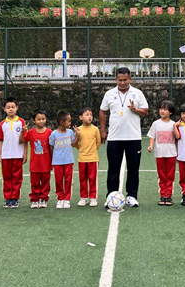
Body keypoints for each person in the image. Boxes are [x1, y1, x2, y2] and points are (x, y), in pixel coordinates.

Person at [100, 67, 149, 208]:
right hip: (114, 137)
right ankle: (111, 196)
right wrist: (103, 131)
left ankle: (132, 196)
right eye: (120, 80)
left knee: (133, 168)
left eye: (125, 80)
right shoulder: (109, 94)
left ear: (130, 79)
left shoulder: (137, 93)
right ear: (116, 80)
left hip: (133, 137)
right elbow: (102, 112)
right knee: (113, 168)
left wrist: (135, 109)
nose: (122, 82)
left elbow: (145, 111)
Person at [0, 97, 27, 209]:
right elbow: (0, 140)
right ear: (4, 109)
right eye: (8, 107)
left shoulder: (21, 122)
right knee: (7, 177)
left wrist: (25, 153)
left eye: (13, 107)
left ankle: (15, 198)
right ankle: (8, 198)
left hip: (18, 154)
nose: (11, 109)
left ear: (17, 108)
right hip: (6, 155)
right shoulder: (2, 124)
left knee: (17, 178)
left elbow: (25, 139)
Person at [147, 100, 177, 206]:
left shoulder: (174, 124)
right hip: (159, 154)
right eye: (161, 109)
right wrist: (151, 146)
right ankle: (162, 195)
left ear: (171, 112)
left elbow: (177, 138)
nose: (162, 111)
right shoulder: (156, 124)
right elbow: (152, 136)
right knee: (161, 175)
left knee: (170, 176)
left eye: (165, 109)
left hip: (171, 154)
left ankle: (169, 195)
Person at [20, 110, 53, 209]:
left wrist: (53, 160)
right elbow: (22, 140)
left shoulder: (49, 132)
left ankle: (43, 198)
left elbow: (52, 147)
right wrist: (22, 132)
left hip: (46, 163)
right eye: (38, 119)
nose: (41, 121)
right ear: (34, 121)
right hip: (34, 164)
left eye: (43, 119)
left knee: (45, 182)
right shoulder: (30, 132)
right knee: (34, 183)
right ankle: (34, 199)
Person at [49, 111, 79, 209]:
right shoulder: (54, 134)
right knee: (58, 181)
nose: (70, 123)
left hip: (69, 161)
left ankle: (67, 199)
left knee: (68, 180)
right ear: (62, 122)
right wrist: (54, 158)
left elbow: (73, 144)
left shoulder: (70, 132)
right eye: (68, 121)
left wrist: (77, 135)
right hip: (57, 162)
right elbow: (51, 147)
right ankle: (60, 198)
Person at [75, 107, 101, 207]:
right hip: (82, 159)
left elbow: (98, 143)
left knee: (93, 179)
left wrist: (92, 151)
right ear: (81, 117)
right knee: (82, 179)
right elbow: (76, 143)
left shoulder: (95, 129)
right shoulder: (78, 130)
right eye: (87, 115)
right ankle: (83, 197)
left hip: (93, 159)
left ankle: (93, 197)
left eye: (91, 115)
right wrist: (82, 149)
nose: (89, 117)